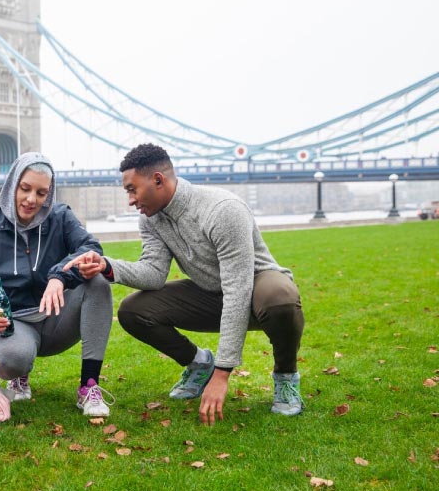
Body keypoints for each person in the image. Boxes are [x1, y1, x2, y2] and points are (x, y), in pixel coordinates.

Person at [63, 143, 305, 425]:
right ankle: (199, 364)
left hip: (256, 290)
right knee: (133, 310)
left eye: (132, 189)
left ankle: (286, 377)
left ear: (158, 179)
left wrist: (223, 374)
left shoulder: (223, 210)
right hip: (210, 293)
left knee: (281, 297)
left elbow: (238, 290)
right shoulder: (151, 219)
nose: (130, 200)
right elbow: (153, 273)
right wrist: (107, 266)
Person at [0, 152, 115, 417]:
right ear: (11, 185)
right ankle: (18, 376)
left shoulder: (61, 217)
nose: (32, 200)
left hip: (57, 316)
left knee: (98, 282)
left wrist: (59, 277)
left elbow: (90, 248)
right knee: (10, 361)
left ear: (49, 195)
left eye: (41, 193)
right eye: (25, 188)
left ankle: (89, 386)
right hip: (15, 322)